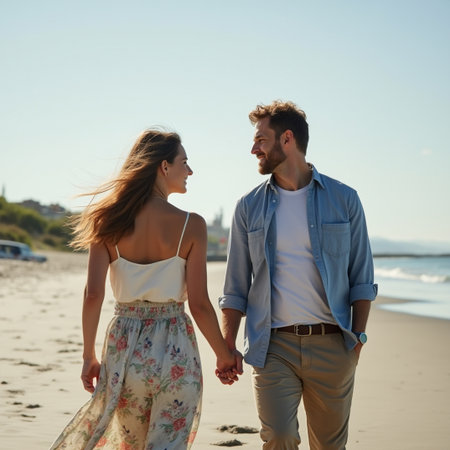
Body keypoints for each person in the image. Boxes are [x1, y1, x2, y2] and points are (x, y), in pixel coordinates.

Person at [50, 129, 239, 450]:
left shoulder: (106, 222)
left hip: (126, 351)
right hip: (176, 347)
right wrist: (224, 355)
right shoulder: (192, 225)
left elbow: (93, 295)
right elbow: (200, 305)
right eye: (185, 162)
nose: (190, 171)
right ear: (164, 167)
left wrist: (88, 356)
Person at [218, 101, 378, 449]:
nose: (253, 148)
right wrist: (228, 345)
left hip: (333, 344)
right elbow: (235, 286)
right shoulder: (248, 206)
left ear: (287, 139)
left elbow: (362, 278)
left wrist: (357, 342)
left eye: (261, 138)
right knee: (279, 437)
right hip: (273, 346)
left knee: (329, 445)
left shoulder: (345, 199)